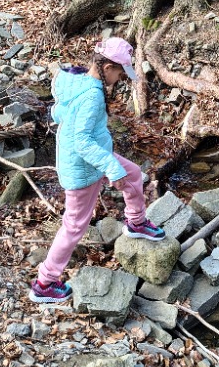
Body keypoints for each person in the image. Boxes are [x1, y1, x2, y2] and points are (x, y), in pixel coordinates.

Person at [30, 37, 165, 305]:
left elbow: (60, 113)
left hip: (95, 158)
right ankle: (45, 283)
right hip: (82, 168)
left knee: (133, 173)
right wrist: (112, 169)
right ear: (106, 68)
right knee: (74, 226)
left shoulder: (80, 82)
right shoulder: (92, 95)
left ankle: (136, 222)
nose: (119, 79)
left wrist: (112, 166)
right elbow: (82, 142)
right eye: (119, 73)